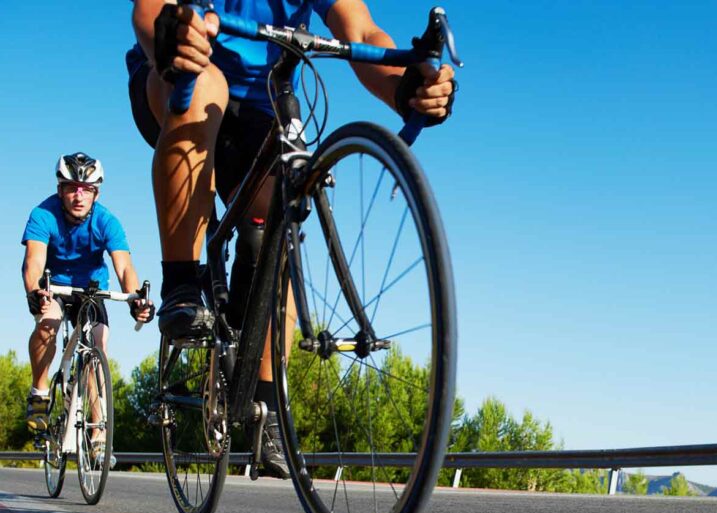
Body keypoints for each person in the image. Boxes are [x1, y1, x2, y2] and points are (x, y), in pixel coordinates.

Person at [126, 0, 456, 478]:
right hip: (179, 73)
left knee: (283, 212)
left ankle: (265, 405)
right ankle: (181, 280)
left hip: (261, 102)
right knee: (204, 90)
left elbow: (360, 29)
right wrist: (170, 36)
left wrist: (407, 87)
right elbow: (149, 8)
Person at [23, 152, 155, 452]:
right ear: (60, 190)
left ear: (96, 192)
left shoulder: (106, 220)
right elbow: (34, 260)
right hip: (54, 285)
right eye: (71, 187)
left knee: (98, 344)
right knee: (48, 325)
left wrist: (136, 299)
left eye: (86, 189)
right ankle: (40, 392)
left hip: (91, 290)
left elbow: (124, 267)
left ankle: (97, 432)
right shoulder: (43, 215)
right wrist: (35, 291)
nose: (78, 195)